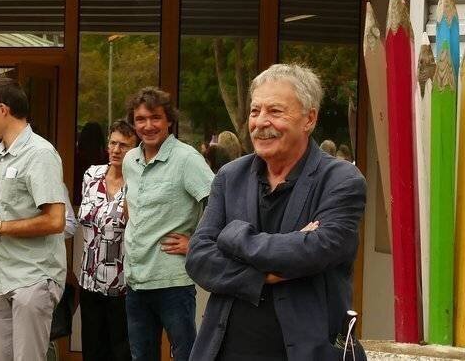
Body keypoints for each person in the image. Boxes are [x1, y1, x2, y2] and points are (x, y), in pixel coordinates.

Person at [187, 64, 367, 360]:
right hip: (224, 351)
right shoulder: (230, 176)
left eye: (275, 111)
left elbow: (316, 250)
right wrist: (263, 277)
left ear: (309, 118)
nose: (260, 122)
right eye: (255, 111)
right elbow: (199, 258)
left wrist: (233, 236)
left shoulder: (342, 180)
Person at [0, 78, 69, 361]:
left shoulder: (40, 154)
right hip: (1, 278)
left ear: (3, 109)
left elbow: (56, 220)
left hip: (33, 278)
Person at [120, 87, 213, 361]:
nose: (148, 126)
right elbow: (131, 204)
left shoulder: (186, 159)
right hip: (136, 280)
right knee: (142, 356)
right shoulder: (130, 160)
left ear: (169, 120)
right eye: (140, 119)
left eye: (155, 118)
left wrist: (196, 243)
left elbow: (219, 203)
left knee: (184, 355)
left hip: (172, 281)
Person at [76, 121, 137, 361]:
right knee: (92, 350)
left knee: (121, 352)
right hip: (89, 278)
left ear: (135, 150)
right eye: (113, 142)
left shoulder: (138, 182)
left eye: (124, 145)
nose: (116, 149)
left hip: (123, 283)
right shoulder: (91, 174)